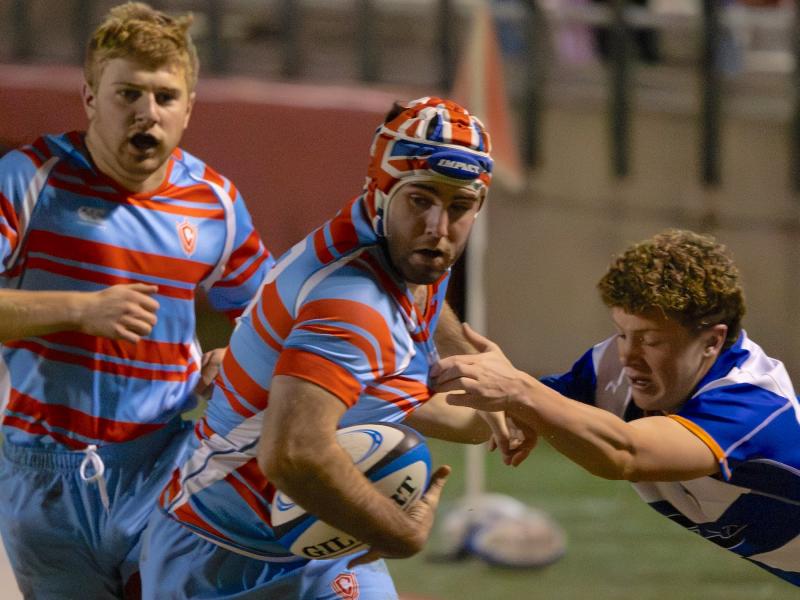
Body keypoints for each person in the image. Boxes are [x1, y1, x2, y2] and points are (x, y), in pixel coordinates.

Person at [140, 96, 529, 599]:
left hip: (315, 539)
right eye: (421, 200)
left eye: (459, 206)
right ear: (381, 191)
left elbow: (421, 331)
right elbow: (294, 453)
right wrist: (400, 532)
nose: (438, 227)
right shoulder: (351, 300)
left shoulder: (408, 249)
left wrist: (487, 379)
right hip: (220, 552)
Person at [0, 3, 273, 598]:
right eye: (128, 93)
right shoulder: (29, 178)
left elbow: (274, 319)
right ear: (90, 97)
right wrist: (80, 310)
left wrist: (241, 357)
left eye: (165, 97)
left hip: (163, 463)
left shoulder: (214, 203)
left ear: (188, 107)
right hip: (41, 476)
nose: (147, 113)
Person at [435, 229, 800, 587]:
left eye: (651, 340)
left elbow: (625, 453)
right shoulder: (614, 368)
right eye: (623, 333)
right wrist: (386, 398)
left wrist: (520, 389)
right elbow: (487, 417)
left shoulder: (753, 403)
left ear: (712, 340)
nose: (629, 356)